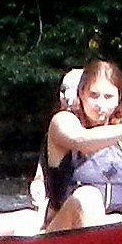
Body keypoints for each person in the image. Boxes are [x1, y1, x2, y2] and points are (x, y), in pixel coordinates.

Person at [41, 59, 122, 231]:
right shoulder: (63, 121)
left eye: (108, 97)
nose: (100, 105)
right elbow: (82, 140)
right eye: (94, 95)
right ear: (81, 93)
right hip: (61, 230)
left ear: (119, 99)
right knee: (88, 196)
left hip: (112, 225)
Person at [29, 68, 82, 211]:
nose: (67, 97)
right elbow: (41, 173)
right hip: (62, 210)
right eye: (63, 90)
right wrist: (38, 184)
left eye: (75, 91)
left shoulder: (112, 130)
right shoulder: (55, 130)